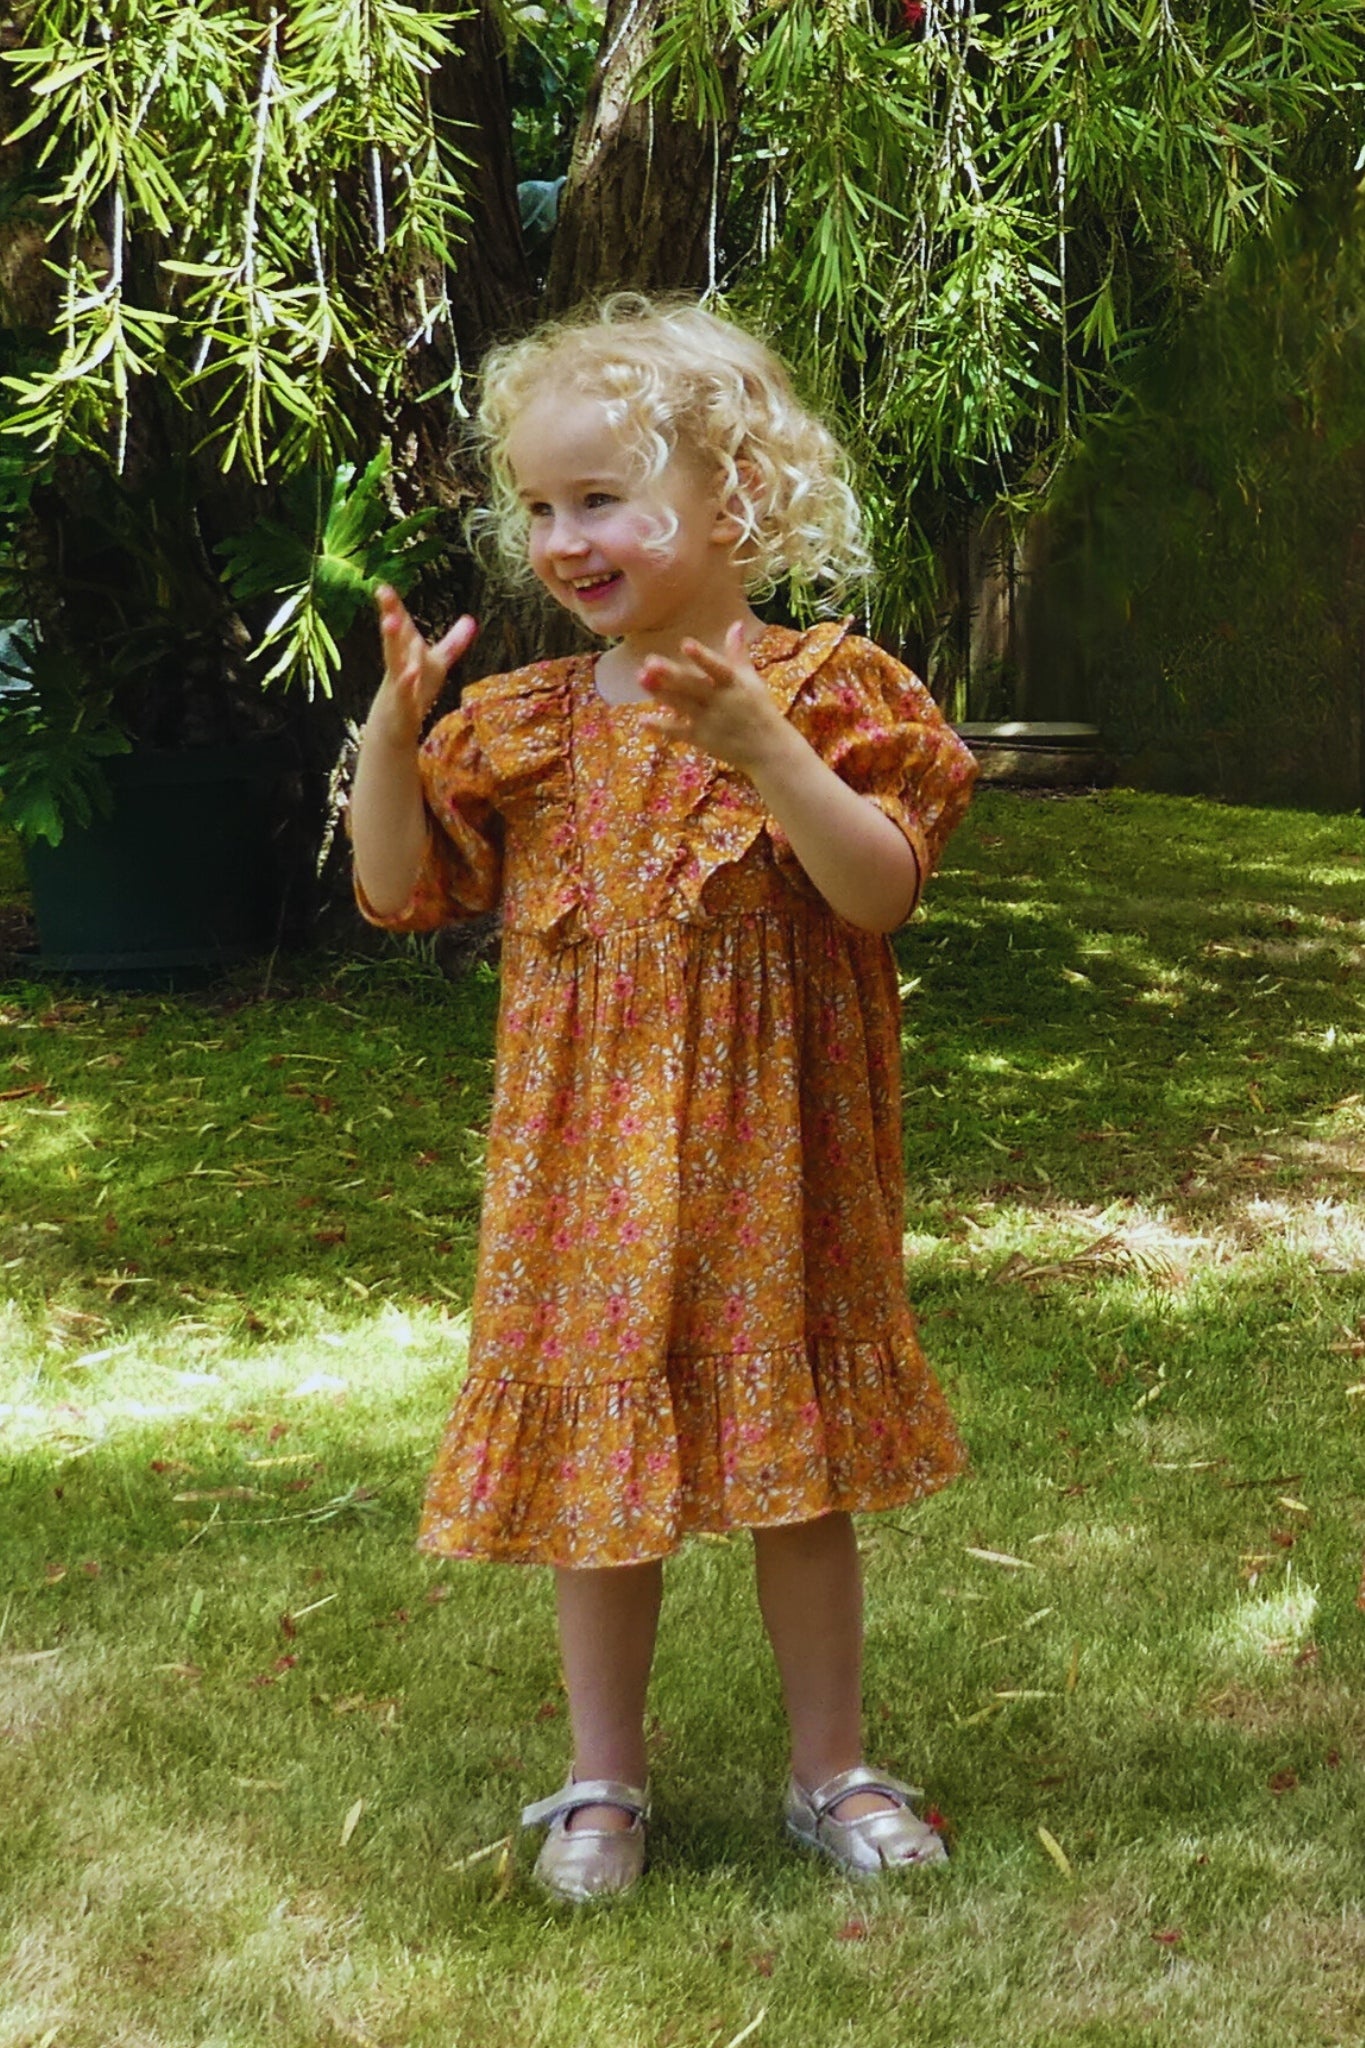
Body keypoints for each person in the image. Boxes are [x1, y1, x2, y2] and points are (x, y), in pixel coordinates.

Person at [348, 296, 978, 1903]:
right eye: (542, 507)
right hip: (583, 1161)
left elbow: (875, 893)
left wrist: (767, 748)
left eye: (602, 499)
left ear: (738, 505)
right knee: (596, 1474)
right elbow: (395, 891)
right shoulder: (528, 728)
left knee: (799, 1469)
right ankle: (600, 1781)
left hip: (783, 1154)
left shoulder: (835, 692)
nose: (565, 537)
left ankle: (830, 1767)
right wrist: (389, 739)